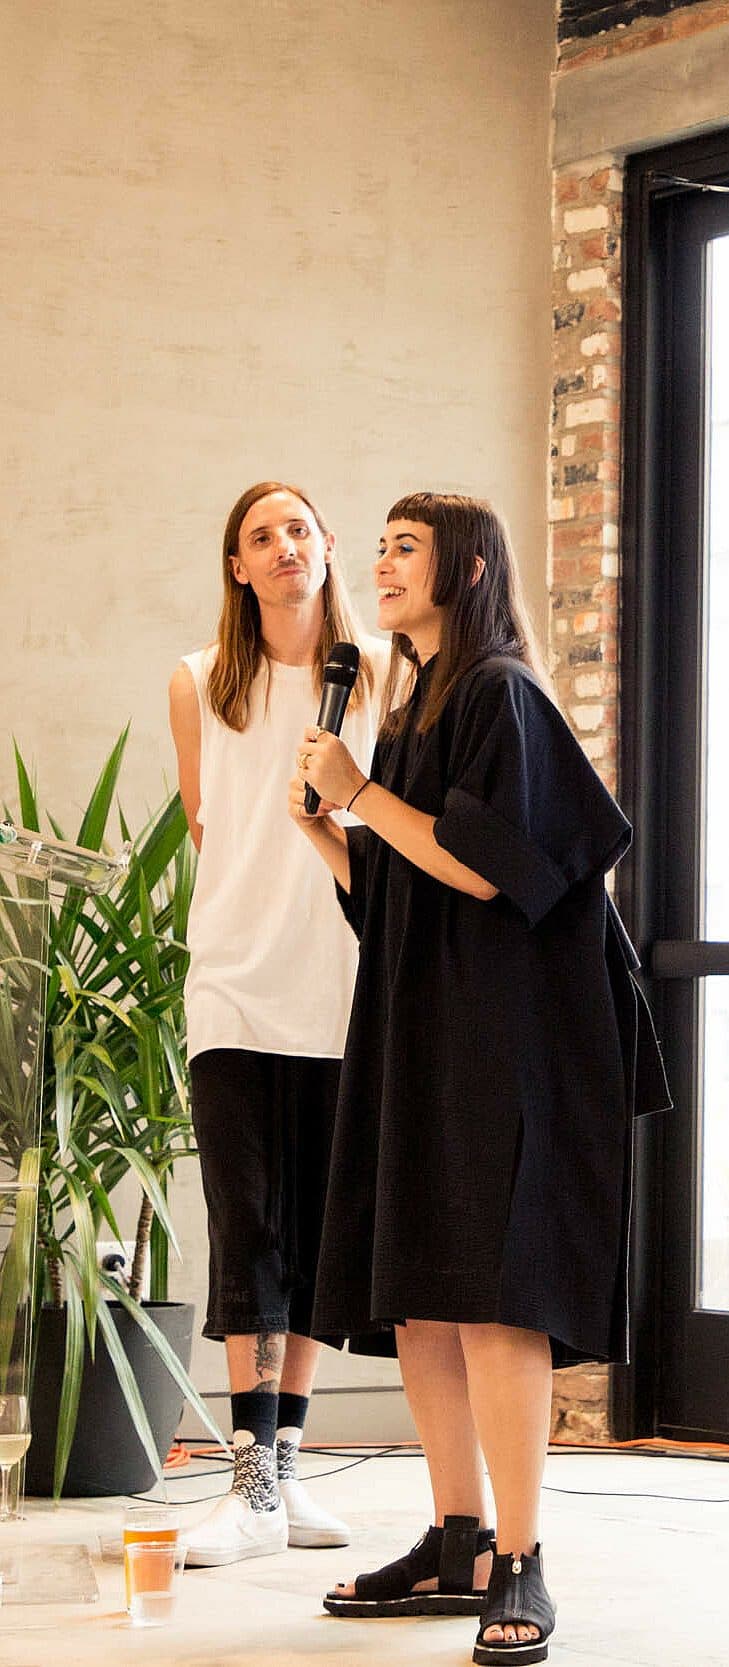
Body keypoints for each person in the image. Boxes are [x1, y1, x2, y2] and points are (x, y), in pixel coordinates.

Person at [289, 491, 667, 1666]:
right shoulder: (412, 709)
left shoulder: (501, 691)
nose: (384, 562)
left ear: (463, 568)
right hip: (426, 1032)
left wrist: (361, 797)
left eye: (405, 547)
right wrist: (338, 836)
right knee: (424, 1285)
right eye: (386, 545)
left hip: (510, 1047)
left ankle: (519, 1554)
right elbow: (408, 890)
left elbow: (499, 870)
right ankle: (453, 1538)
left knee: (497, 1290)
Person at [168, 481, 386, 1565]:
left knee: (308, 1236)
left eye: (299, 526)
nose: (284, 544)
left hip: (347, 989)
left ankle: (284, 1474)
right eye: (261, 534)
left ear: (326, 547)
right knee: (246, 1229)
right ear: (238, 567)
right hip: (237, 989)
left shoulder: (385, 670)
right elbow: (208, 828)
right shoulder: (200, 682)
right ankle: (248, 1482)